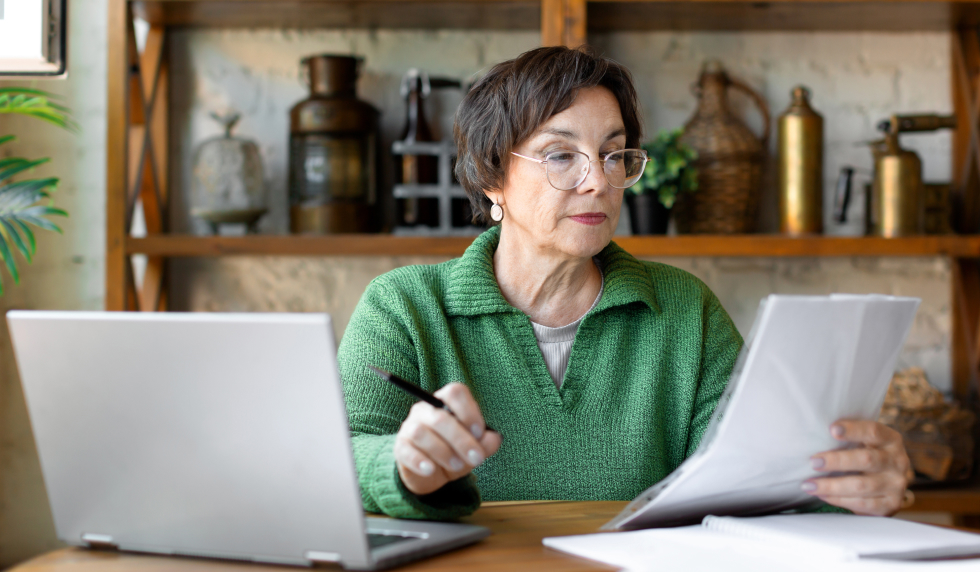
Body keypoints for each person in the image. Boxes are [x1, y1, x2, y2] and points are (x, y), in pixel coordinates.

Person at [337, 46, 911, 521]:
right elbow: (337, 459)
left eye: (613, 155)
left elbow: (755, 482)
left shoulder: (686, 309)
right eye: (561, 155)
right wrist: (403, 463)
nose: (599, 182)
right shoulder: (403, 307)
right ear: (492, 178)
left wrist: (851, 490)